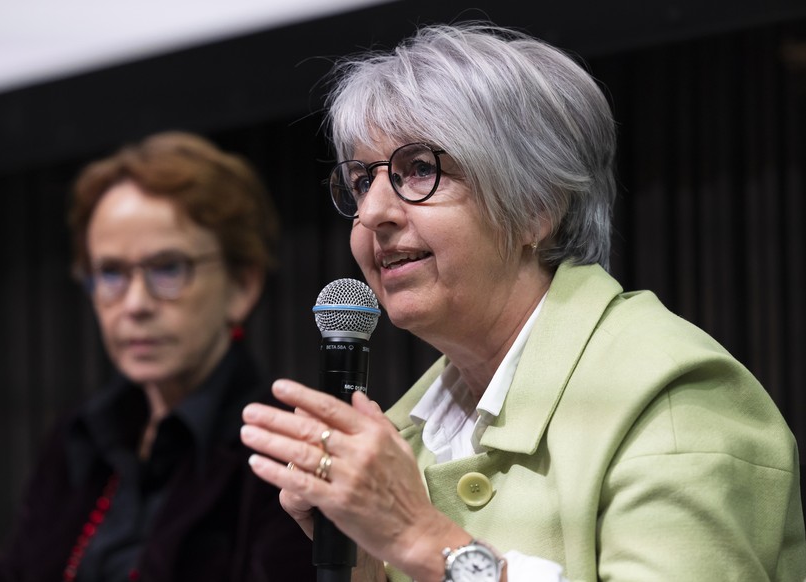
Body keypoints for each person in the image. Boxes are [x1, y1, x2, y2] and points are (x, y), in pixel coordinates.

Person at [239, 23, 806, 582]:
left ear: (537, 205)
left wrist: (419, 538)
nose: (373, 213)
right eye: (363, 180)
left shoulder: (674, 397)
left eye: (419, 170)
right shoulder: (401, 435)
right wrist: (366, 570)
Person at [0, 131, 315, 581]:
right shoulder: (75, 438)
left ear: (242, 285)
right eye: (110, 273)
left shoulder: (283, 450)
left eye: (168, 268)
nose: (135, 304)